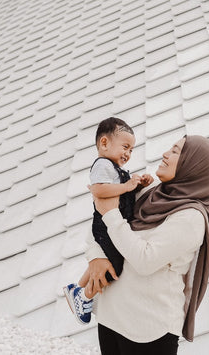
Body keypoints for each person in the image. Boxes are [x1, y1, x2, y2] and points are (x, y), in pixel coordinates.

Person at [86, 135, 209, 355]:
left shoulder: (191, 217)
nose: (166, 154)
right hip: (111, 316)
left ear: (193, 165)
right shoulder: (149, 193)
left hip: (149, 329)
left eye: (176, 151)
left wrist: (111, 215)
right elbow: (98, 221)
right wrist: (95, 256)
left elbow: (145, 260)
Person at [63, 117, 153, 324]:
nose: (128, 154)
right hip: (105, 225)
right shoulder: (103, 165)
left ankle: (78, 290)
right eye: (125, 147)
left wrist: (138, 184)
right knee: (114, 266)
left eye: (131, 150)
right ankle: (86, 296)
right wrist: (127, 186)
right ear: (104, 143)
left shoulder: (114, 168)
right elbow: (99, 189)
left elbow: (120, 192)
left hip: (111, 224)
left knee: (105, 259)